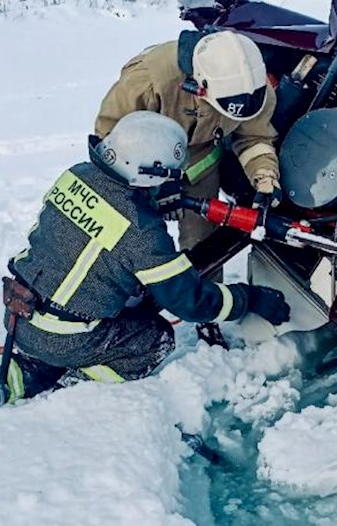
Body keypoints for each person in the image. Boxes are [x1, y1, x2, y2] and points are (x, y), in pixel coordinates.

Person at [0, 111, 290, 422]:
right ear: (147, 173)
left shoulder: (77, 175)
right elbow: (190, 302)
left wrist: (147, 202)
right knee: (154, 338)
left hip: (20, 315)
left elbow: (98, 231)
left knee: (61, 337)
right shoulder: (141, 233)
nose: (173, 184)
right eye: (168, 178)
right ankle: (72, 382)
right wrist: (251, 299)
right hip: (66, 336)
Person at [95, 29, 282, 349]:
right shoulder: (149, 80)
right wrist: (156, 183)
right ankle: (116, 301)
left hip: (199, 157)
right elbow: (109, 138)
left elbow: (254, 137)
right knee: (132, 236)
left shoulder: (254, 88)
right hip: (139, 158)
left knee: (203, 239)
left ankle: (206, 315)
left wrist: (265, 178)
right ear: (200, 86)